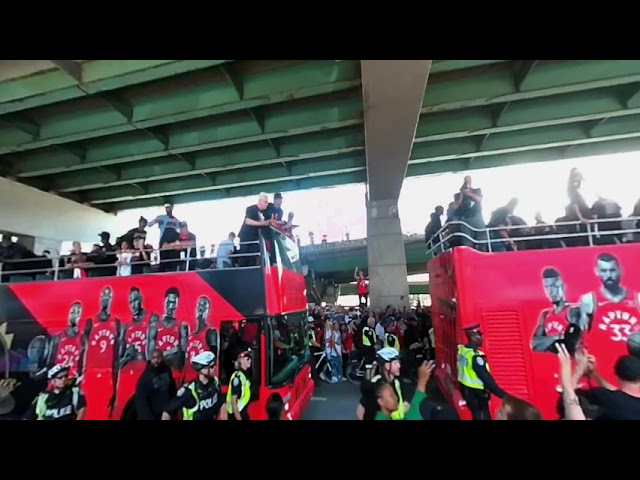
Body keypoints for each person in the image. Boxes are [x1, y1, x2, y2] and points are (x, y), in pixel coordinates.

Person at [457, 324, 506, 420]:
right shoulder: (475, 357)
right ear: (473, 337)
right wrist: (504, 396)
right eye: (480, 335)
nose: (482, 338)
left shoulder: (463, 350)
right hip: (478, 394)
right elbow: (487, 380)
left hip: (467, 391)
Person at [161, 351, 227, 420]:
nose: (215, 368)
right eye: (212, 366)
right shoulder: (189, 391)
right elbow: (167, 411)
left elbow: (221, 403)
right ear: (202, 369)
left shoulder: (215, 383)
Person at [134, 349, 177, 420]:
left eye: (158, 357)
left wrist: (170, 411)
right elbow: (141, 401)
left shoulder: (167, 371)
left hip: (166, 414)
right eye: (154, 358)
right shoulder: (146, 377)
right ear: (150, 359)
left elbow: (172, 391)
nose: (156, 360)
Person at [370, 347, 408, 420]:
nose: (399, 366)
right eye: (395, 363)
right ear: (387, 366)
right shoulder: (377, 384)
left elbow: (402, 403)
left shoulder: (397, 382)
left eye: (399, 362)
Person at [226, 350, 253, 420]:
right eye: (247, 359)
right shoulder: (237, 377)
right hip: (236, 414)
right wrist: (238, 418)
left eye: (250, 359)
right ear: (240, 361)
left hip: (242, 411)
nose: (250, 361)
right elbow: (233, 400)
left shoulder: (244, 375)